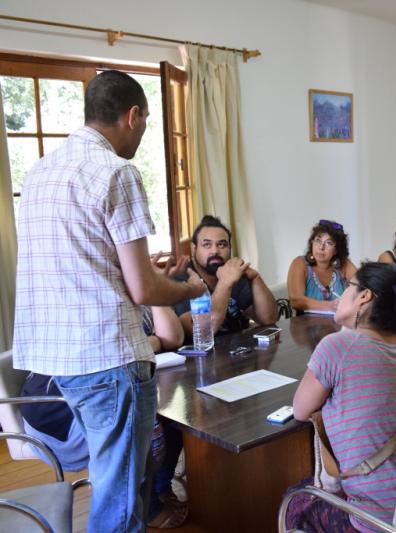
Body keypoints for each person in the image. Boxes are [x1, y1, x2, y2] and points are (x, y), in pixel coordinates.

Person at [13, 70, 207, 531]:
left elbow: (83, 266)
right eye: (144, 124)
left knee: (118, 483)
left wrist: (152, 277)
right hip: (106, 356)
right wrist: (192, 289)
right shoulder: (117, 172)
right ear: (133, 115)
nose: (141, 135)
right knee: (118, 497)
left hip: (58, 359)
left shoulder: (39, 172)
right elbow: (144, 291)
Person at [288, 263, 396, 532]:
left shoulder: (336, 347)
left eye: (347, 287)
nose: (339, 296)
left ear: (364, 296)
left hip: (381, 521)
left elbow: (300, 411)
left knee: (296, 500)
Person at [20, 306, 189, 528]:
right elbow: (130, 351)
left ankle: (158, 489)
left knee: (162, 406)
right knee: (145, 411)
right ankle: (149, 507)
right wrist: (153, 341)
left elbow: (171, 338)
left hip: (55, 407)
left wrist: (154, 316)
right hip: (58, 423)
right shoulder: (97, 304)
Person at [174, 215, 278, 337]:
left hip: (241, 351)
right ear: (194, 249)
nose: (215, 251)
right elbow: (201, 332)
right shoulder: (182, 280)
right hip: (203, 354)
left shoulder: (233, 273)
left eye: (222, 245)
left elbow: (269, 319)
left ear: (230, 248)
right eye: (207, 245)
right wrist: (225, 283)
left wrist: (255, 279)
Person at [287, 220, 358, 313]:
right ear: (311, 243)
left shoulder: (344, 264)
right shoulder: (300, 263)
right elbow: (295, 300)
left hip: (339, 324)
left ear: (336, 250)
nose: (321, 247)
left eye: (329, 243)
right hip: (307, 325)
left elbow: (364, 287)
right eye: (318, 240)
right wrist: (330, 306)